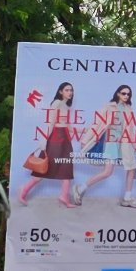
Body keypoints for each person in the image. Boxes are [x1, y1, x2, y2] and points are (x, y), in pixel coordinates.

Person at [79, 83, 136, 207]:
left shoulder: (128, 109)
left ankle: (127, 198)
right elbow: (97, 124)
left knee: (132, 168)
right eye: (124, 93)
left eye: (128, 94)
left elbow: (130, 130)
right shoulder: (109, 107)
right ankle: (80, 188)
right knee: (107, 172)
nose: (126, 96)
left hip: (124, 144)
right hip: (111, 142)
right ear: (118, 94)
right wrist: (85, 140)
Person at [17, 79, 80, 207]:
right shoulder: (56, 103)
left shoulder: (66, 105)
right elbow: (50, 123)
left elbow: (68, 126)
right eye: (67, 90)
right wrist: (44, 139)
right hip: (55, 138)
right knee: (44, 168)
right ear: (60, 91)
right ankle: (23, 189)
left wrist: (86, 131)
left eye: (71, 90)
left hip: (65, 139)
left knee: (67, 166)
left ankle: (64, 196)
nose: (70, 92)